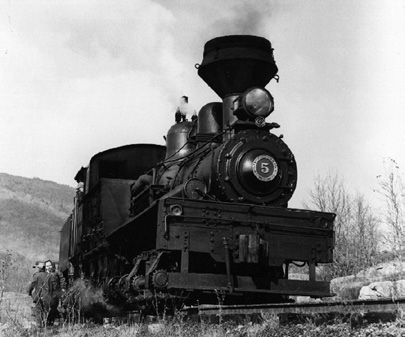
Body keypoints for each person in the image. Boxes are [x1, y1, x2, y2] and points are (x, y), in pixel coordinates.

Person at [44, 260, 66, 326]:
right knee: (46, 307)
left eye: (50, 265)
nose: (49, 267)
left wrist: (63, 288)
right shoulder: (44, 274)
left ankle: (51, 321)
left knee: (53, 307)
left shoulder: (57, 273)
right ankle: (46, 321)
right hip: (46, 293)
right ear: (45, 267)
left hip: (55, 293)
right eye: (47, 266)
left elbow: (62, 279)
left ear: (52, 265)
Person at [28, 262, 48, 327]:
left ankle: (39, 326)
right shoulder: (49, 275)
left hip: (38, 296)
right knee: (45, 310)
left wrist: (29, 292)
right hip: (47, 296)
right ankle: (46, 325)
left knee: (38, 310)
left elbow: (32, 285)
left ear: (40, 268)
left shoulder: (36, 275)